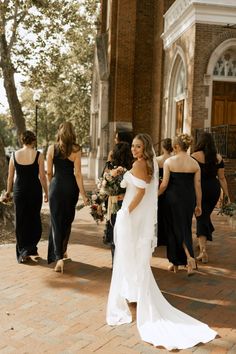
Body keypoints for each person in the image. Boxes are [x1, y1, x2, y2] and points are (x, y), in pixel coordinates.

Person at [106, 133, 217, 350]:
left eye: (138, 147)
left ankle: (132, 290)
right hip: (153, 210)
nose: (134, 150)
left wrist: (126, 211)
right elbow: (142, 189)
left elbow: (140, 192)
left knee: (127, 253)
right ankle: (136, 289)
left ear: (144, 148)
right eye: (133, 147)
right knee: (137, 252)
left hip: (134, 214)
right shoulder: (151, 163)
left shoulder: (142, 164)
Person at [47, 122, 88, 273]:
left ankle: (59, 257)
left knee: (56, 221)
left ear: (60, 132)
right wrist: (83, 194)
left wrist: (49, 189)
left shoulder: (52, 148)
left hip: (56, 186)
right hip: (71, 188)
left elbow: (49, 173)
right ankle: (63, 251)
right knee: (67, 220)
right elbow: (77, 174)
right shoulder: (76, 149)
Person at [158, 133, 201, 275]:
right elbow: (198, 186)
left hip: (172, 199)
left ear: (176, 146)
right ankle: (177, 263)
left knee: (173, 230)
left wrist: (155, 195)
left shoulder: (169, 162)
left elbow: (164, 185)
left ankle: (187, 259)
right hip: (188, 200)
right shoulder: (194, 163)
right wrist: (198, 204)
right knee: (185, 228)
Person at [4, 130, 48, 263]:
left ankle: (24, 251)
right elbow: (42, 177)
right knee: (34, 218)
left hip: (20, 191)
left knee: (21, 220)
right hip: (34, 191)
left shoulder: (13, 155)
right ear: (33, 141)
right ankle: (30, 247)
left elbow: (10, 177)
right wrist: (46, 192)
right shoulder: (38, 155)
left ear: (22, 140)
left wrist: (8, 192)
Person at [191, 132, 230, 263]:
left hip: (199, 189)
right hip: (213, 189)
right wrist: (226, 195)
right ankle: (206, 233)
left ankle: (203, 251)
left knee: (201, 216)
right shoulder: (218, 158)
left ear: (200, 142)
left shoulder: (194, 156)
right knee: (204, 215)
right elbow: (222, 178)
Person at [101, 142, 133, 261]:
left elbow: (104, 184)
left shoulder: (111, 168)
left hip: (114, 204)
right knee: (125, 234)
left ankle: (116, 264)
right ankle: (123, 263)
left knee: (115, 233)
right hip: (126, 204)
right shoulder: (131, 168)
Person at [156, 138, 173, 246]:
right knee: (169, 214)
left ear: (162, 147)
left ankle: (159, 237)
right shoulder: (174, 159)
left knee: (159, 213)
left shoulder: (157, 160)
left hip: (158, 188)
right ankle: (168, 237)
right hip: (170, 189)